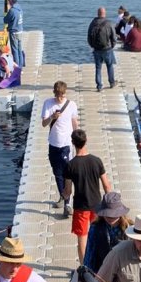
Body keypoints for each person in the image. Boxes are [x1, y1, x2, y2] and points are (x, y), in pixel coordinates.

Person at [63, 129, 111, 263]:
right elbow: (107, 185)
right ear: (86, 141)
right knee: (99, 236)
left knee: (82, 238)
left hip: (80, 207)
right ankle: (101, 263)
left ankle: (85, 268)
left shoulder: (70, 165)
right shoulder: (97, 161)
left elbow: (68, 191)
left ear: (73, 143)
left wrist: (63, 195)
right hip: (97, 206)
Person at [40, 81, 80, 215]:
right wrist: (52, 117)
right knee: (57, 174)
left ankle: (67, 204)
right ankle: (63, 196)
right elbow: (44, 124)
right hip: (53, 144)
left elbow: (74, 122)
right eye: (57, 95)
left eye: (62, 95)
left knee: (67, 173)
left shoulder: (71, 105)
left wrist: (77, 140)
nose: (59, 98)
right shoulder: (48, 103)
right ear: (54, 93)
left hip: (66, 144)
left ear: (65, 93)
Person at [83, 191, 130, 274]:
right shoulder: (95, 227)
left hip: (123, 272)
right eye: (107, 214)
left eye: (113, 214)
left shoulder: (129, 228)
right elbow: (90, 253)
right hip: (102, 271)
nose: (110, 217)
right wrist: (87, 273)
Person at [87, 6, 117, 91]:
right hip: (107, 49)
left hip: (96, 49)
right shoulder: (109, 23)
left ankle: (99, 86)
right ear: (104, 14)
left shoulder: (92, 23)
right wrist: (112, 46)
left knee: (98, 68)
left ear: (98, 13)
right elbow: (114, 38)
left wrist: (92, 46)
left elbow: (88, 36)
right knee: (109, 66)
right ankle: (111, 82)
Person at [4, 0, 23, 67]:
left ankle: (17, 68)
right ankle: (20, 66)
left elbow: (5, 20)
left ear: (11, 0)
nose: (8, 2)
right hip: (20, 31)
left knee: (14, 50)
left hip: (14, 32)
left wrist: (8, 10)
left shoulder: (12, 10)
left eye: (8, 0)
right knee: (19, 50)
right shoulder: (20, 8)